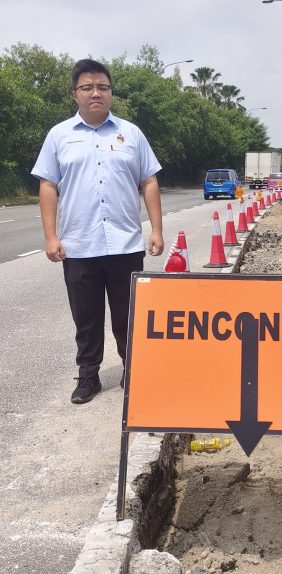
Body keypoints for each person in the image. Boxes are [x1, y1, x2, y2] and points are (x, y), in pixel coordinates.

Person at [32, 59, 164, 404]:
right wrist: (50, 236)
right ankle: (88, 377)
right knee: (86, 318)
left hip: (125, 244)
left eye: (102, 87)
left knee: (129, 316)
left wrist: (156, 230)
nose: (96, 93)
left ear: (110, 93)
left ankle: (132, 371)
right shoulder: (59, 135)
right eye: (87, 87)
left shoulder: (131, 133)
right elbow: (48, 185)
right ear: (75, 93)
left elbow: (148, 180)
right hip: (78, 246)